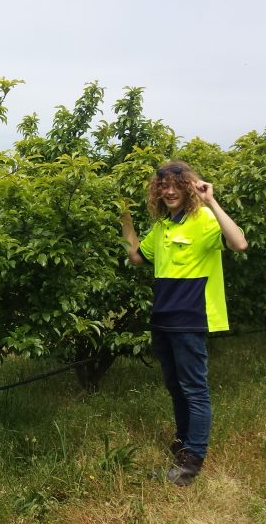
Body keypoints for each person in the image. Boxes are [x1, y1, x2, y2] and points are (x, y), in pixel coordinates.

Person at [121, 160, 247, 486]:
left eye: (177, 185)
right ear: (158, 191)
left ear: (189, 187)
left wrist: (211, 201)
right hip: (162, 318)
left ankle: (192, 461)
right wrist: (124, 219)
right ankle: (182, 445)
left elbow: (239, 242)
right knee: (175, 387)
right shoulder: (162, 227)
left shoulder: (203, 219)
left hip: (190, 319)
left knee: (194, 389)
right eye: (163, 186)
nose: (170, 190)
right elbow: (137, 257)